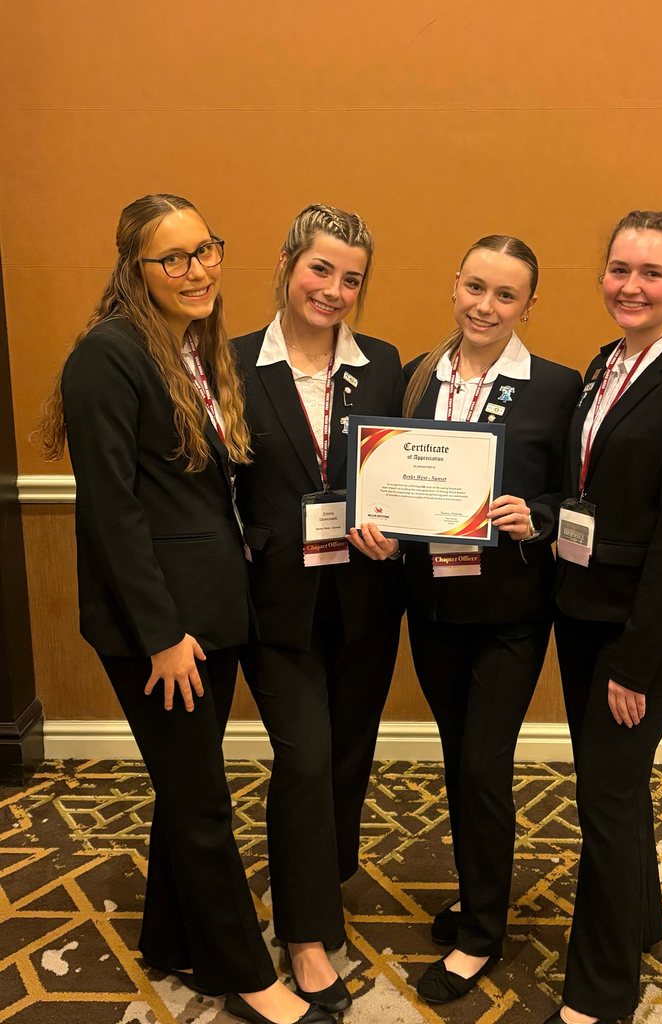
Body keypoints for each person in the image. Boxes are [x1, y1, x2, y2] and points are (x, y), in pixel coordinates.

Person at [38, 194, 333, 1024]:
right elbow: (113, 510)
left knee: (184, 785)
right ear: (136, 269)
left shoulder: (188, 347)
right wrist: (163, 635)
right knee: (203, 801)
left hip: (210, 611)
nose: (197, 269)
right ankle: (248, 976)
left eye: (206, 250)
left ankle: (173, 940)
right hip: (161, 627)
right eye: (174, 259)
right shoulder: (109, 355)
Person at [381, 235, 582, 1003]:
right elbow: (394, 481)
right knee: (456, 753)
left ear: (530, 304)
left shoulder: (559, 388)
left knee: (482, 763)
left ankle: (482, 935)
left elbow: (578, 500)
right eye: (475, 287)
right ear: (453, 285)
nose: (486, 306)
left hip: (511, 615)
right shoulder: (415, 379)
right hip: (431, 608)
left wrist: (536, 515)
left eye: (506, 295)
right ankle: (476, 893)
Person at [548, 211, 662, 1024]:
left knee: (607, 797)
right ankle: (641, 923)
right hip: (585, 607)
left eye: (651, 274)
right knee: (610, 784)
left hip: (644, 628)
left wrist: (633, 661)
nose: (630, 286)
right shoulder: (607, 364)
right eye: (619, 268)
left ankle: (600, 993)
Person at [233, 204, 405, 1015]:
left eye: (351, 278)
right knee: (303, 758)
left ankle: (322, 875)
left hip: (366, 599)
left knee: (346, 758)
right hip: (276, 604)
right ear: (286, 262)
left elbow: (401, 481)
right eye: (320, 269)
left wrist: (395, 535)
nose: (333, 290)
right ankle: (304, 934)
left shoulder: (383, 366)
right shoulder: (229, 364)